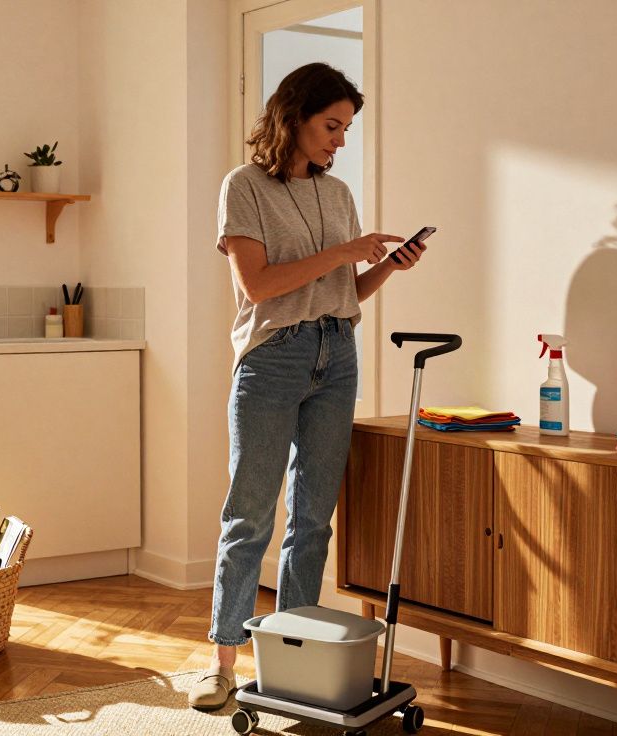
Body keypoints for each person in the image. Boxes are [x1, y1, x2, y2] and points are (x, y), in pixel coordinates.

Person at [188, 62, 426, 710]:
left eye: (346, 129)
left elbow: (343, 291)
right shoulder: (243, 187)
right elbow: (257, 286)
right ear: (293, 115)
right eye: (331, 125)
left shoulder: (339, 193)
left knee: (314, 519)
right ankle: (221, 662)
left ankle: (291, 657)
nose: (339, 141)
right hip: (272, 358)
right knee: (250, 515)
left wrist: (386, 269)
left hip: (336, 352)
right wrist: (344, 253)